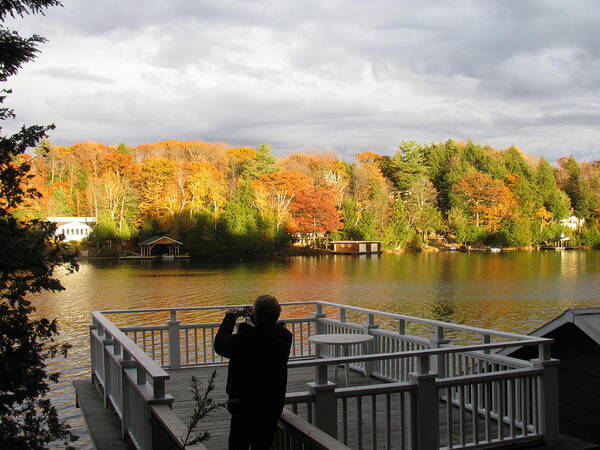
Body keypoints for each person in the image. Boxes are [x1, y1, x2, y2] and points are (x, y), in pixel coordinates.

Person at [214, 295, 293, 450]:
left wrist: (231, 317)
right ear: (278, 313)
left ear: (257, 316)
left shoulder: (244, 340)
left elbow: (220, 345)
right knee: (262, 445)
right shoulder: (284, 338)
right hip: (271, 405)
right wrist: (254, 317)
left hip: (243, 405)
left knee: (238, 444)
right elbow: (266, 331)